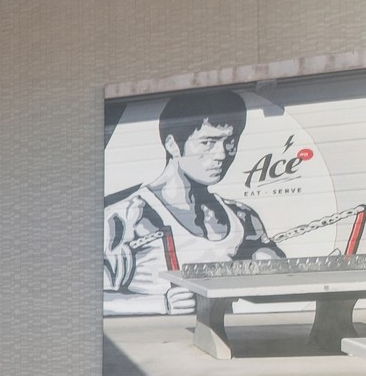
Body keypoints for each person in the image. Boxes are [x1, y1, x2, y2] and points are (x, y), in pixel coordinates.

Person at [102, 89, 282, 315]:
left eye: (231, 141)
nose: (222, 154)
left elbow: (272, 278)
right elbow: (90, 299)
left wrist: (268, 263)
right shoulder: (125, 217)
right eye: (208, 142)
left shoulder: (243, 217)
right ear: (173, 145)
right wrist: (161, 304)